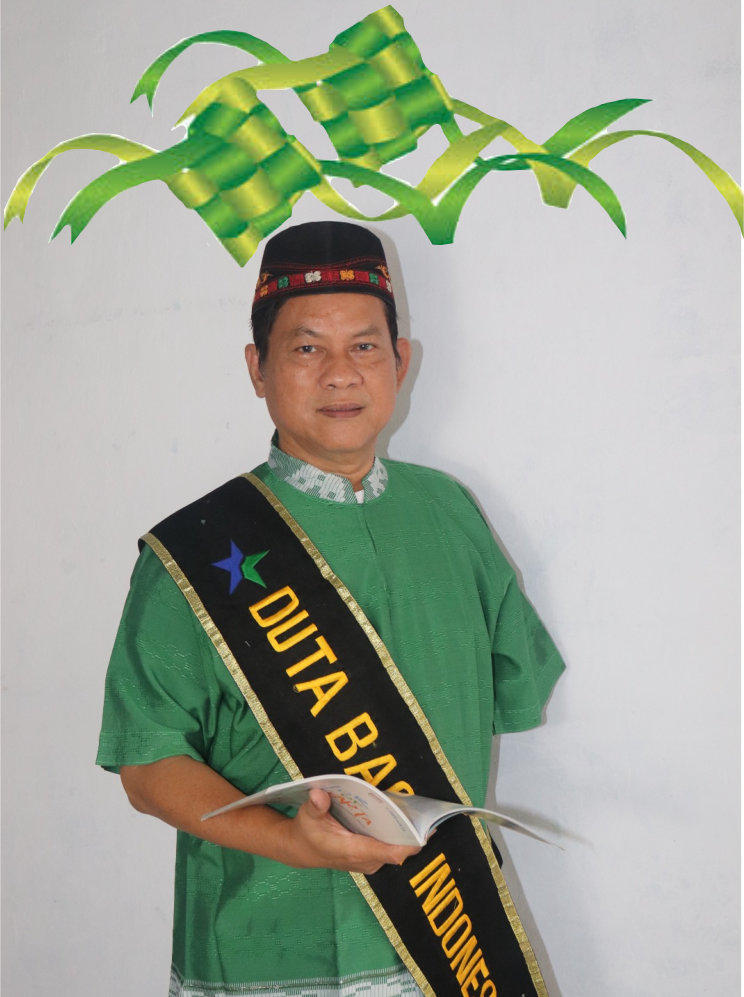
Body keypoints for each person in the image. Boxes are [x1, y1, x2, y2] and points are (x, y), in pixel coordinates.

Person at [96, 221, 565, 997]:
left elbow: (510, 694)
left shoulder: (452, 515)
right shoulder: (195, 550)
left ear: (401, 361)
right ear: (257, 367)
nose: (341, 373)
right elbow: (146, 767)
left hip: (452, 953)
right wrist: (292, 840)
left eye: (365, 346)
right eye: (307, 347)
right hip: (265, 960)